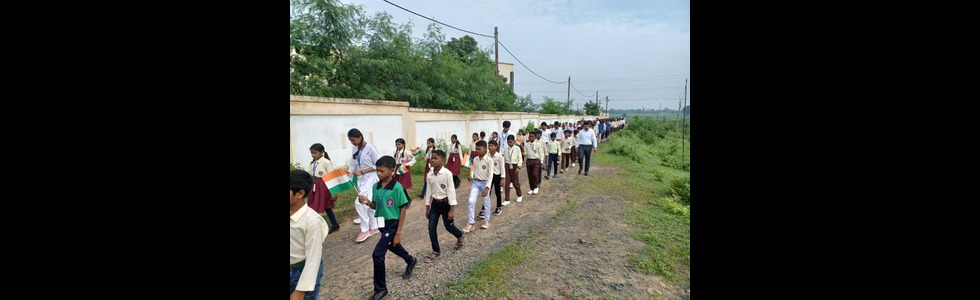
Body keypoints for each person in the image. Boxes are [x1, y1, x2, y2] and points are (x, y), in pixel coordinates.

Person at [357, 156, 418, 300]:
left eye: (382, 171)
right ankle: (410, 260)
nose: (378, 174)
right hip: (381, 223)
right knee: (392, 246)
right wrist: (367, 202)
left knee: (377, 254)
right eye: (377, 171)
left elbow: (402, 209)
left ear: (392, 170)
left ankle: (381, 289)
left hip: (392, 224)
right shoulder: (376, 186)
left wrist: (398, 232)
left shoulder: (396, 187)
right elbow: (376, 205)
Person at [290, 170, 328, 300]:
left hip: (302, 272)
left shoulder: (312, 221)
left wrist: (301, 290)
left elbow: (313, 257)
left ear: (300, 194)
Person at [422, 150, 465, 264]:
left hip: (446, 204)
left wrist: (452, 210)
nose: (432, 160)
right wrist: (427, 207)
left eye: (435, 158)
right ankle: (436, 251)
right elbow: (429, 191)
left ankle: (460, 235)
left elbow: (451, 192)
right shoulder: (430, 174)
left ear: (443, 160)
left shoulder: (447, 174)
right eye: (432, 158)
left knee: (448, 227)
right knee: (431, 228)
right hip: (435, 204)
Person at [348, 128, 381, 242]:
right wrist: (348, 176)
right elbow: (352, 165)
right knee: (368, 203)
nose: (352, 142)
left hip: (371, 178)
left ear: (360, 137)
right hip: (361, 180)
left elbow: (378, 165)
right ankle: (374, 227)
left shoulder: (371, 149)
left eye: (353, 140)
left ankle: (365, 230)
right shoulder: (354, 149)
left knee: (360, 202)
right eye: (350, 141)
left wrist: (362, 171)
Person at [307, 143, 340, 233]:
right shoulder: (312, 163)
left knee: (326, 206)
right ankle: (315, 226)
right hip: (314, 186)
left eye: (315, 153)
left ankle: (334, 225)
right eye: (312, 153)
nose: (313, 155)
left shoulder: (326, 162)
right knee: (312, 205)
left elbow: (332, 177)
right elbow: (309, 174)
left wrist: (334, 192)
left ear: (322, 152)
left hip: (324, 186)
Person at [464, 141, 493, 232]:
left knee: (486, 203)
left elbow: (490, 175)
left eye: (479, 149)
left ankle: (487, 221)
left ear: (485, 149)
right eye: (476, 149)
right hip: (476, 183)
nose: (477, 151)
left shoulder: (489, 160)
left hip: (485, 183)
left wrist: (487, 187)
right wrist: (471, 176)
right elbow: (474, 169)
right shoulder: (475, 159)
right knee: (471, 201)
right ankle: (471, 223)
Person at [479, 140, 505, 218]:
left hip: (497, 176)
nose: (490, 147)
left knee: (497, 192)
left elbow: (502, 168)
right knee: (487, 192)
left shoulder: (499, 156)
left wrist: (502, 178)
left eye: (492, 146)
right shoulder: (487, 156)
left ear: (496, 147)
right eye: (489, 145)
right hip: (488, 177)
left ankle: (499, 207)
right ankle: (484, 209)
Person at [503, 135, 524, 204]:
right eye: (508, 142)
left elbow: (520, 158)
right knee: (507, 183)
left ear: (514, 141)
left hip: (514, 166)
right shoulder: (506, 149)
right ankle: (507, 199)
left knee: (515, 182)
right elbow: (504, 158)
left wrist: (518, 167)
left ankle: (519, 195)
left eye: (511, 142)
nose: (509, 144)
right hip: (507, 166)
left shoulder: (517, 148)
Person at [524, 131, 544, 195]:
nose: (530, 138)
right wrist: (524, 154)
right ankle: (531, 188)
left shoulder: (538, 144)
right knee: (530, 175)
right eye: (529, 136)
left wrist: (541, 162)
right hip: (529, 160)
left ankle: (536, 187)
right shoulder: (526, 144)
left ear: (535, 137)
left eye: (532, 136)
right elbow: (525, 152)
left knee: (535, 174)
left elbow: (540, 153)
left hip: (536, 160)